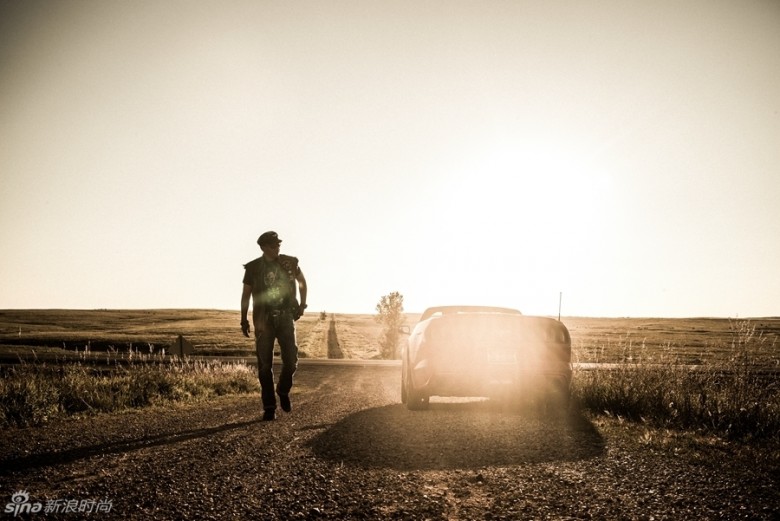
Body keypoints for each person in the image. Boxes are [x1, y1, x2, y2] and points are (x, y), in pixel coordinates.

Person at [241, 231, 307, 421]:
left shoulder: (290, 262)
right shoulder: (253, 268)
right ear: (263, 248)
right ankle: (269, 407)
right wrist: (244, 319)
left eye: (278, 244)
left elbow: (302, 282)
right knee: (264, 366)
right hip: (264, 320)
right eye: (272, 245)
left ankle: (283, 389)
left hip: (286, 317)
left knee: (291, 360)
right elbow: (246, 295)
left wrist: (302, 305)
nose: (277, 247)